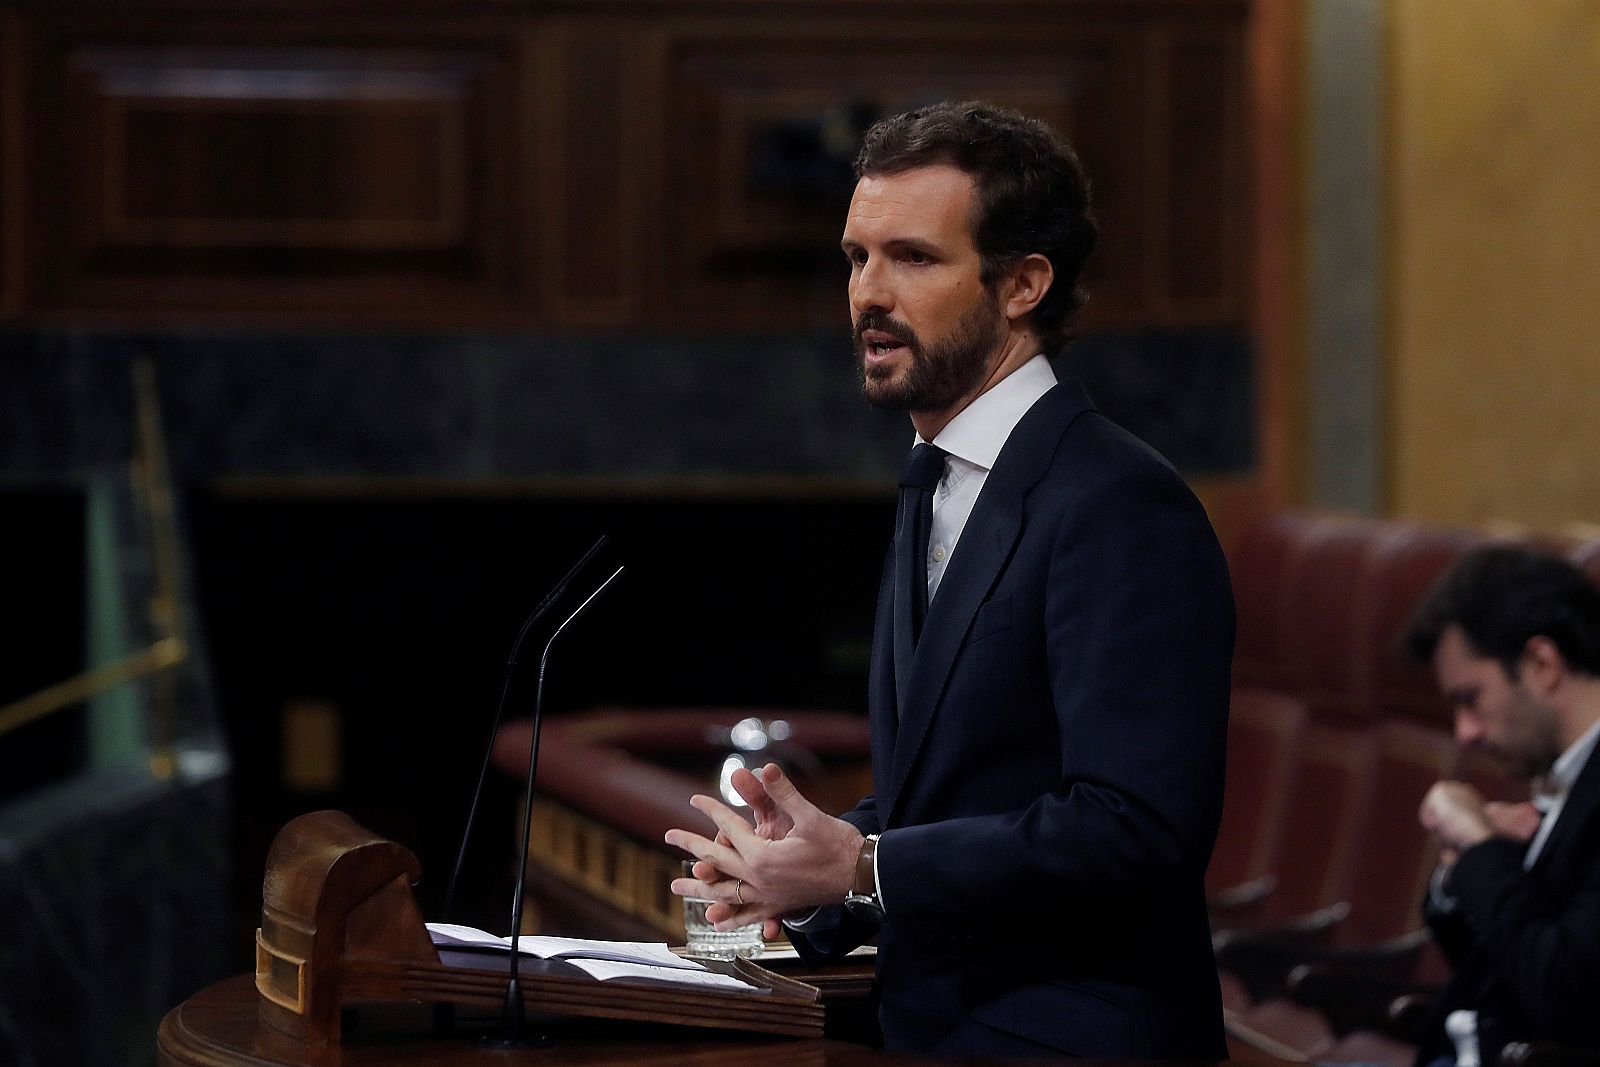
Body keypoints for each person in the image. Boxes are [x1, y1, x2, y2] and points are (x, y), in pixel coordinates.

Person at [665, 101, 1234, 1057]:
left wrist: (868, 866)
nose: (867, 295)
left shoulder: (1119, 504)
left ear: (1022, 284)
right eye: (855, 257)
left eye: (913, 258)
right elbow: (955, 788)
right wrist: (802, 870)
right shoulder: (935, 474)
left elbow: (1137, 827)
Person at [1401, 546, 1600, 1067]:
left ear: (1541, 665)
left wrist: (1479, 851)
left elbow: (1567, 994)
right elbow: (1502, 963)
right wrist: (1459, 872)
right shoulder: (1565, 773)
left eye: (1471, 699)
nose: (1463, 734)